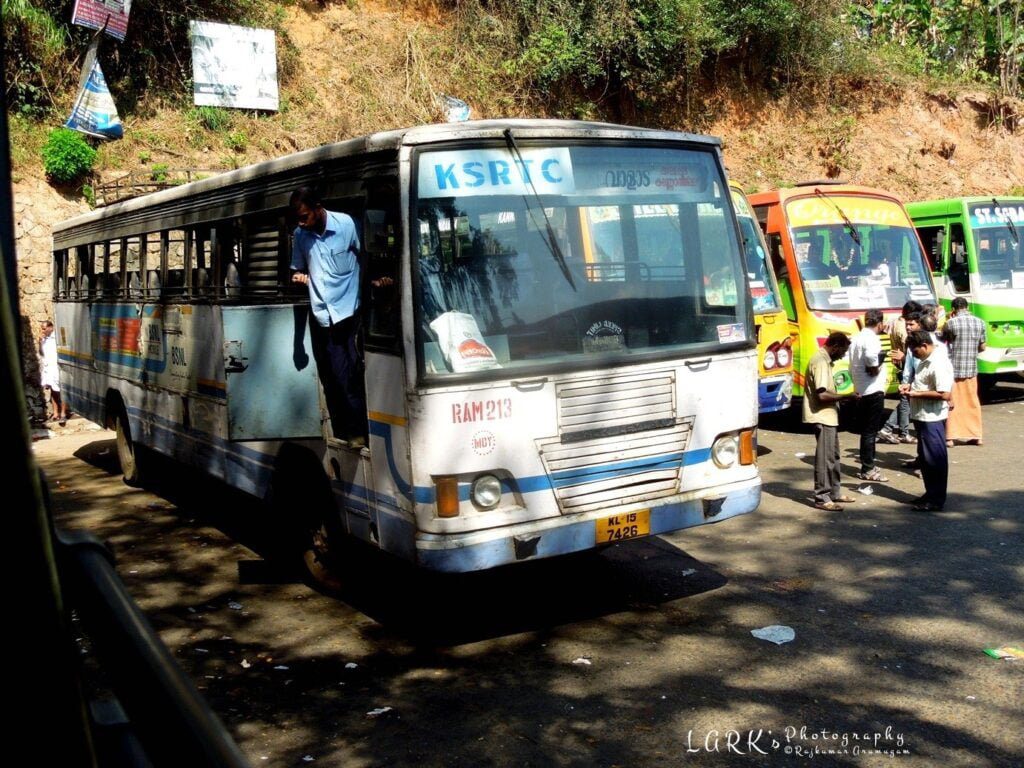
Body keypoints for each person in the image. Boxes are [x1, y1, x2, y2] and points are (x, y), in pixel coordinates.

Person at [290, 187, 368, 447]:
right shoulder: (301, 236)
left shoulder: (346, 224)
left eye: (304, 216)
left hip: (352, 312)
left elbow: (366, 256)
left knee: (358, 374)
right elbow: (296, 269)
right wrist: (299, 277)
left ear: (318, 208)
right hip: (324, 317)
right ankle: (352, 431)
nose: (301, 222)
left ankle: (363, 429)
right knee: (338, 376)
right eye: (298, 218)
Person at [803, 332, 859, 511]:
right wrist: (845, 396)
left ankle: (834, 492)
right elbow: (822, 395)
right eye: (843, 351)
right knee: (825, 459)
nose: (843, 355)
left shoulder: (825, 360)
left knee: (833, 457)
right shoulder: (819, 362)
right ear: (835, 346)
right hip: (822, 416)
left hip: (829, 416)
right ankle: (822, 497)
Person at [901, 330, 954, 511]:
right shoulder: (925, 360)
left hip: (932, 418)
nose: (914, 355)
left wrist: (916, 393)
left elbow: (944, 393)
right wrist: (910, 387)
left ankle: (936, 499)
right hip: (921, 416)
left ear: (924, 346)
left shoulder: (938, 363)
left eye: (915, 351)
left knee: (935, 460)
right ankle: (929, 494)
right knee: (925, 459)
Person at [849, 309, 889, 482]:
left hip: (860, 387)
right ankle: (868, 468)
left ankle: (869, 464)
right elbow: (872, 363)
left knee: (867, 431)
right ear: (879, 323)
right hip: (872, 389)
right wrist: (878, 367)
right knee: (870, 432)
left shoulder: (857, 337)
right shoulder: (871, 339)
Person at [941, 297, 987, 447]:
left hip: (953, 369)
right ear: (967, 307)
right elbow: (983, 347)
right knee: (972, 402)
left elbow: (944, 342)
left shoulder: (951, 323)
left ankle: (950, 437)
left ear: (954, 309)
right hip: (971, 369)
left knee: (952, 403)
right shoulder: (980, 322)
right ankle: (977, 436)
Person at [879, 301, 923, 444]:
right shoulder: (906, 331)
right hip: (905, 366)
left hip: (900, 364)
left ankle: (889, 428)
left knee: (906, 401)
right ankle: (898, 431)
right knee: (906, 402)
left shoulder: (894, 322)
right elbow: (908, 350)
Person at [38, 320, 67, 426]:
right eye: (42, 328)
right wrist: (40, 343)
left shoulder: (57, 338)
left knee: (62, 391)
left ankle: (63, 413)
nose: (42, 330)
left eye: (44, 328)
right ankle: (55, 414)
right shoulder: (44, 339)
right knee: (53, 391)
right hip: (48, 368)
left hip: (57, 367)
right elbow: (42, 353)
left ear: (51, 327)